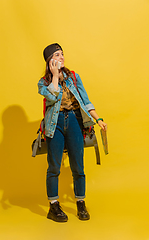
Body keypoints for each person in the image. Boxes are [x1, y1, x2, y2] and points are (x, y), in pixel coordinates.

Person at [38, 43, 107, 222]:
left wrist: (98, 119)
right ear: (49, 60)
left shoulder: (73, 77)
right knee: (54, 167)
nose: (61, 57)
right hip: (55, 124)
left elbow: (85, 100)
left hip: (76, 121)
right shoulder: (43, 83)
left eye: (62, 54)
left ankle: (80, 202)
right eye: (57, 55)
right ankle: (53, 206)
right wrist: (54, 76)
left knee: (78, 166)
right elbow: (52, 97)